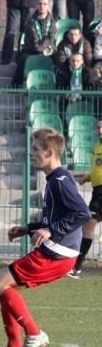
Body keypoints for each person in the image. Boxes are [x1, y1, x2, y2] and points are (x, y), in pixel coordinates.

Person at [0, 128, 90, 347]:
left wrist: (50, 230)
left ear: (50, 152)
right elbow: (53, 218)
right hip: (60, 252)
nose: (30, 153)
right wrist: (29, 228)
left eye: (35, 149)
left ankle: (34, 334)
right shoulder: (55, 179)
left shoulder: (61, 181)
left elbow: (82, 213)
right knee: (7, 290)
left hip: (57, 253)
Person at [69, 119, 102, 278]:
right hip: (98, 192)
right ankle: (76, 267)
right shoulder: (96, 147)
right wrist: (87, 177)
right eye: (98, 127)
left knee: (88, 227)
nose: (100, 130)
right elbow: (98, 168)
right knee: (88, 227)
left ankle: (76, 267)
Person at [0, 0, 50, 66]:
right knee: (10, 31)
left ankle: (22, 58)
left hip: (31, 1)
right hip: (14, 0)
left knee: (26, 32)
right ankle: (6, 58)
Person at [10, 0, 57, 87]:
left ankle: (58, 86)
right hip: (31, 50)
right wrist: (39, 49)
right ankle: (15, 85)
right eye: (40, 4)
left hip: (48, 50)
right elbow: (34, 39)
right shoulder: (31, 21)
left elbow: (50, 38)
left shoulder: (53, 22)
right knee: (23, 59)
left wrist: (42, 49)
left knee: (59, 60)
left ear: (48, 6)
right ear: (37, 5)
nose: (42, 6)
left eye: (44, 4)